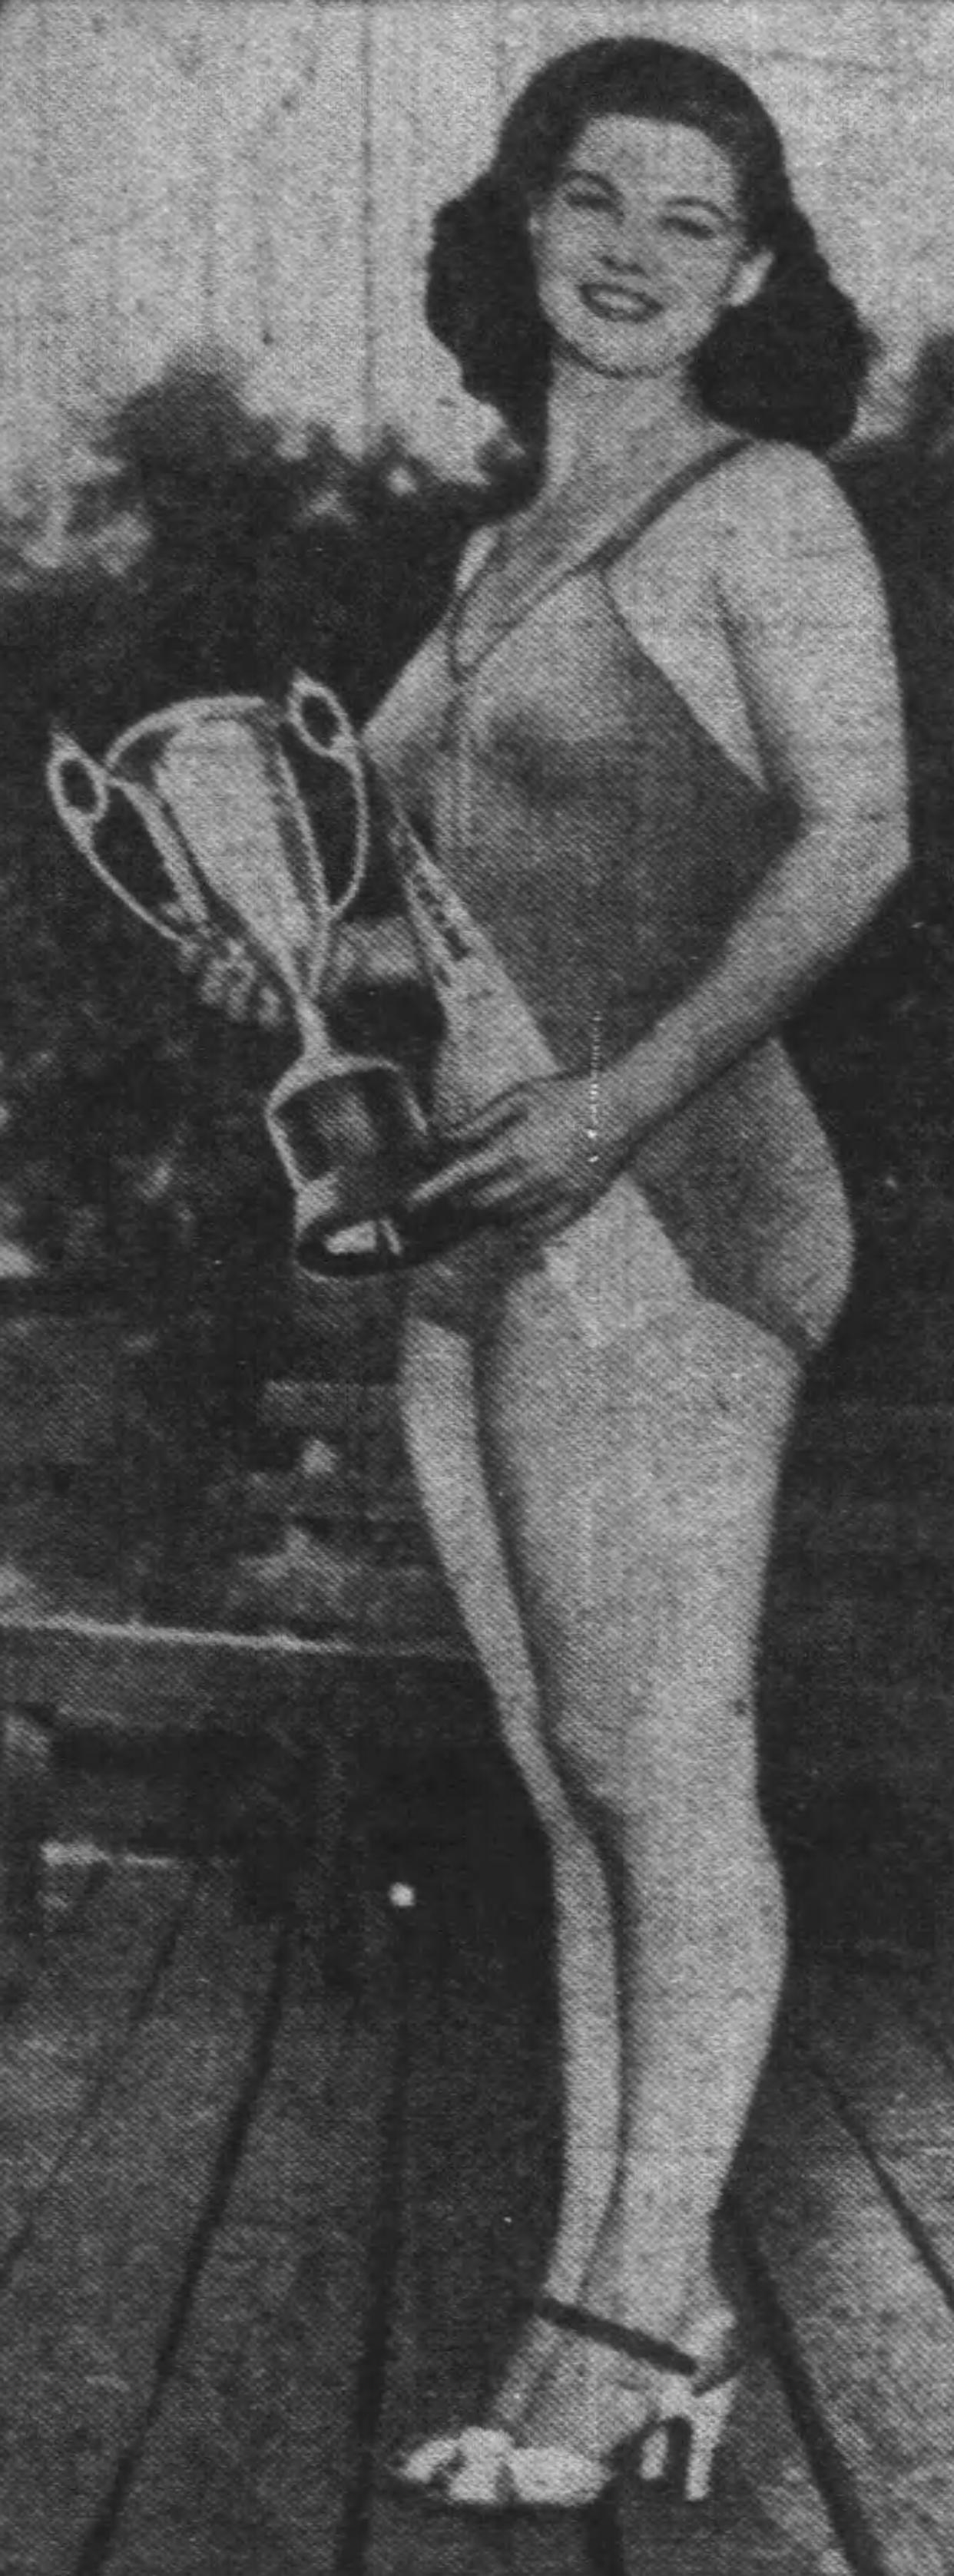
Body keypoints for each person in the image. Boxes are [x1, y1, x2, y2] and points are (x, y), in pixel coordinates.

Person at [201, 34, 910, 2516]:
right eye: (588, 199)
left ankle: (622, 2324)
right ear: (519, 230)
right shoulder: (487, 557)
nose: (628, 250)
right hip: (479, 1217)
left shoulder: (763, 511)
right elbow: (396, 895)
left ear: (748, 269)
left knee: (656, 1768)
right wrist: (279, 957)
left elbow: (856, 839)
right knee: (563, 1780)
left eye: (688, 218)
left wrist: (628, 1092)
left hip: (671, 1204)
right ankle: (631, 2297)